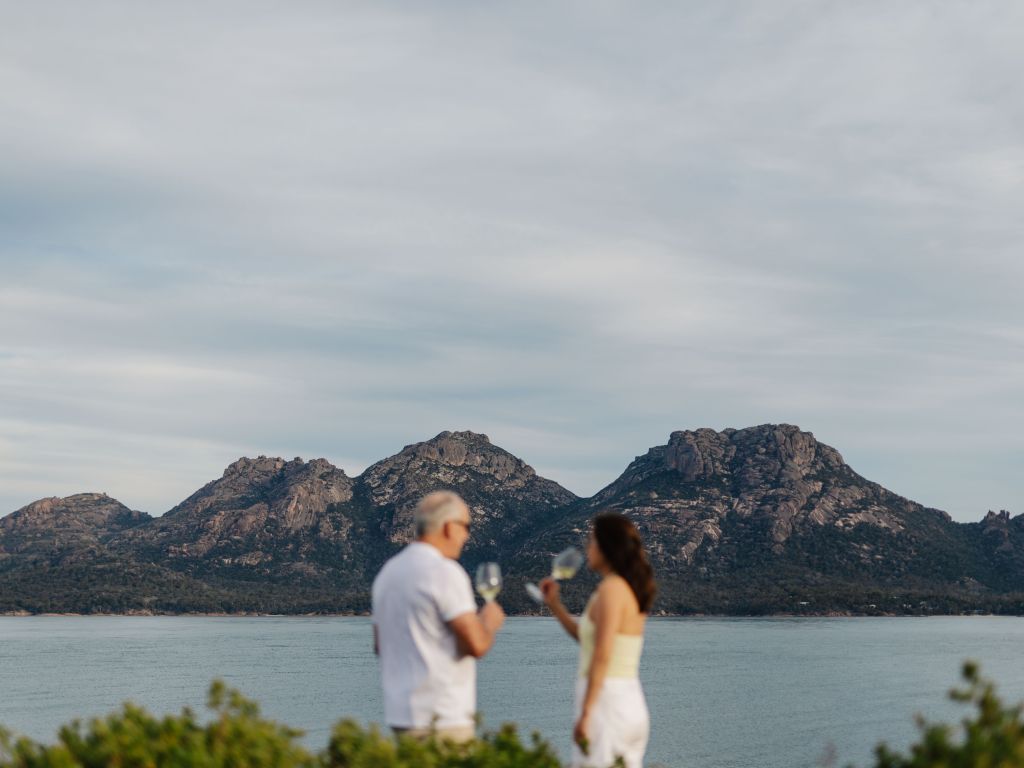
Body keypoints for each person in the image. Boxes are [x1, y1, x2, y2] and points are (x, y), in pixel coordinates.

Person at [372, 490, 505, 743]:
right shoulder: (445, 572)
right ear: (448, 527)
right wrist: (489, 620)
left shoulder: (387, 574)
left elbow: (380, 646)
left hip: (401, 718)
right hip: (444, 720)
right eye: (466, 526)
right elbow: (476, 645)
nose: (466, 535)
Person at [540, 513, 656, 768]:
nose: (587, 548)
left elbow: (602, 654)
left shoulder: (612, 590)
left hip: (607, 704)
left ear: (607, 547)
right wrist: (555, 606)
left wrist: (587, 712)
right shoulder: (627, 587)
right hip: (625, 700)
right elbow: (589, 639)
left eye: (592, 541)